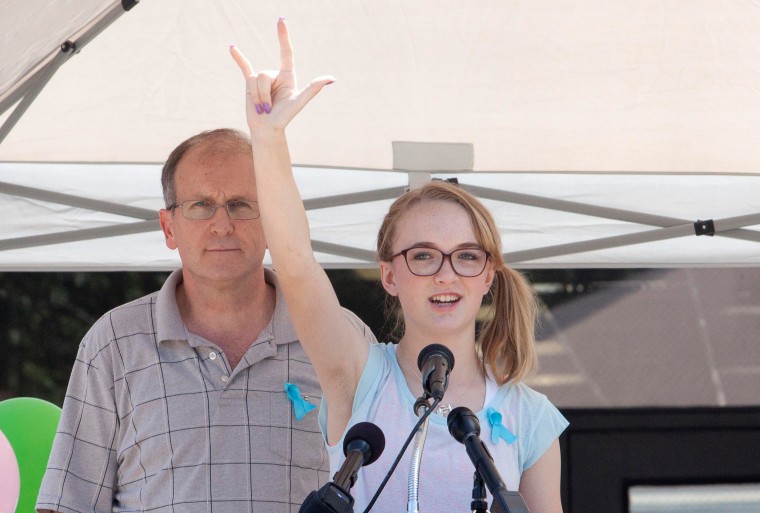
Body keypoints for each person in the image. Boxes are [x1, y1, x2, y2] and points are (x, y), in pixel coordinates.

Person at [231, 18, 568, 513]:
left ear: (488, 277)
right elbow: (297, 265)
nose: (446, 274)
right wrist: (268, 137)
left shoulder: (530, 416)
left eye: (467, 256)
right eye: (424, 256)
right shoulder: (359, 375)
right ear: (389, 274)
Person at [36, 128, 374, 513]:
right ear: (169, 227)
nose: (222, 225)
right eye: (200, 205)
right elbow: (67, 503)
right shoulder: (113, 343)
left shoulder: (341, 337)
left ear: (273, 221)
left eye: (241, 204)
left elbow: (386, 491)